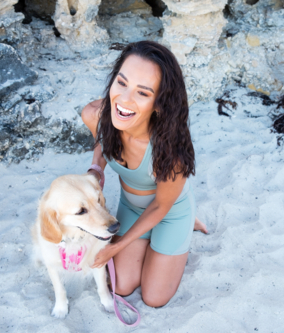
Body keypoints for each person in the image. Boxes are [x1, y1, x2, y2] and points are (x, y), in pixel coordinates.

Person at [81, 41, 207, 308]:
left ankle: (188, 219)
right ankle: (150, 238)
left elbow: (161, 205)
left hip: (169, 211)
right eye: (122, 83)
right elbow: (102, 141)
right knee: (121, 286)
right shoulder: (96, 114)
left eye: (143, 93)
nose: (124, 100)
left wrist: (116, 247)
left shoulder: (170, 151)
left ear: (159, 104)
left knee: (154, 298)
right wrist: (96, 168)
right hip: (132, 206)